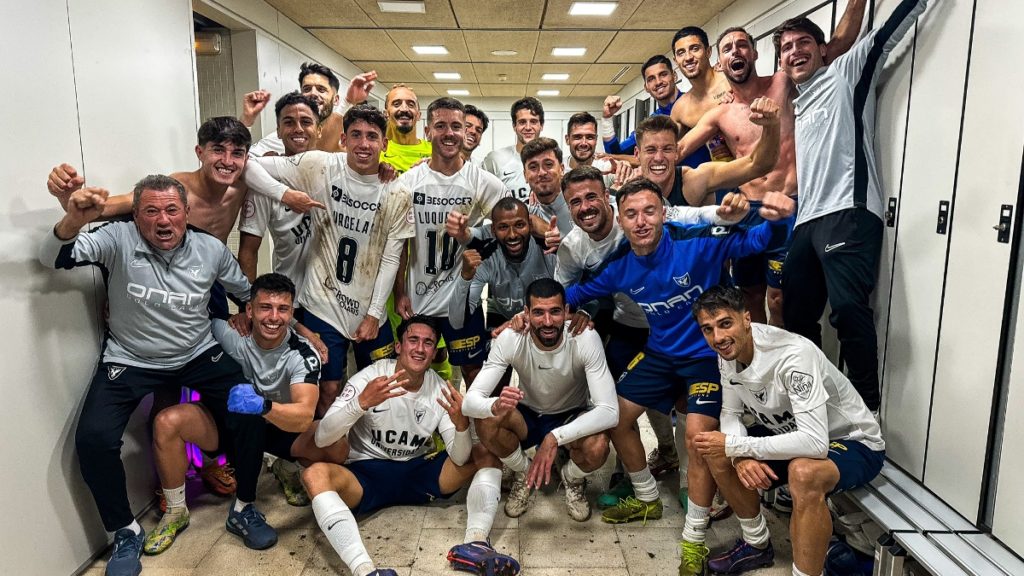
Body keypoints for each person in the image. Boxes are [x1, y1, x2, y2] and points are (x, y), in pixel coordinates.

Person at [45, 117, 322, 498]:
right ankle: (172, 480)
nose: (227, 160)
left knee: (223, 384)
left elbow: (263, 160)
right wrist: (70, 205)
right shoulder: (176, 191)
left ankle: (218, 466)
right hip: (154, 280)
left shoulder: (245, 179)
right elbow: (103, 209)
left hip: (206, 278)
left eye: (236, 153)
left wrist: (282, 321)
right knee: (167, 391)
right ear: (199, 153)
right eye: (217, 151)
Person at [39, 177, 271, 576]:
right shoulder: (117, 238)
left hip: (197, 353)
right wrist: (71, 221)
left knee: (250, 407)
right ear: (136, 215)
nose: (163, 220)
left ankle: (244, 507)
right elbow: (53, 258)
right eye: (151, 211)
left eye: (171, 211)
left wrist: (254, 318)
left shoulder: (210, 248)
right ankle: (125, 531)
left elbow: (247, 292)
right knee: (93, 440)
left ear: (186, 213)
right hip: (130, 358)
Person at [563, 174, 793, 576]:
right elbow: (571, 295)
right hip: (659, 355)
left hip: (706, 360)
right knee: (614, 416)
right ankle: (647, 496)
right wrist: (529, 316)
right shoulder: (618, 266)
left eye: (649, 211)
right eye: (631, 214)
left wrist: (774, 220)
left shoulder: (696, 241)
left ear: (663, 213)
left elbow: (757, 242)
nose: (641, 222)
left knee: (699, 440)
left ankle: (693, 539)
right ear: (620, 220)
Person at [555, 166, 748, 508]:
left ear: (607, 202)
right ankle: (632, 479)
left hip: (685, 332)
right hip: (629, 326)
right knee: (623, 407)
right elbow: (570, 291)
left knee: (687, 405)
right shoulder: (574, 246)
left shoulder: (652, 219)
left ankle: (687, 476)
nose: (585, 207)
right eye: (575, 202)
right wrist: (562, 311)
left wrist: (728, 214)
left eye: (591, 197)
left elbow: (696, 216)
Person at [779, 0, 931, 412]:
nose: (795, 51)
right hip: (806, 223)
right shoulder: (797, 104)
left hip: (848, 211)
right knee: (794, 317)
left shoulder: (845, 73)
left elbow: (890, 31)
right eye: (787, 47)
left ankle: (867, 406)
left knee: (847, 310)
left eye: (803, 42)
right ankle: (814, 403)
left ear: (824, 49)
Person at [675, 1, 867, 325]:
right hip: (747, 211)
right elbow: (675, 150)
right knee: (749, 294)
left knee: (779, 298)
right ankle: (758, 361)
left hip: (790, 205)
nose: (735, 51)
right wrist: (626, 165)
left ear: (754, 54)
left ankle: (782, 362)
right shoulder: (719, 113)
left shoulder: (783, 83)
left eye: (742, 45)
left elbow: (836, 45)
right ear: (720, 63)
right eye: (727, 49)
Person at [302, 316, 519, 576]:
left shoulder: (440, 389)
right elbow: (322, 437)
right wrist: (360, 403)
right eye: (413, 340)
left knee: (484, 452)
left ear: (435, 351)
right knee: (314, 474)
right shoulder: (370, 377)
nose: (419, 348)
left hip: (417, 471)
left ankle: (476, 543)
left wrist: (461, 426)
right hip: (366, 474)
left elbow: (459, 458)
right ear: (398, 346)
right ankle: (364, 570)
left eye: (428, 343)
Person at [691, 285, 884, 576]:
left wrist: (739, 447)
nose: (717, 337)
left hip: (852, 442)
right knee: (715, 449)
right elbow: (730, 414)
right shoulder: (728, 351)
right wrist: (740, 456)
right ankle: (756, 544)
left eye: (725, 324)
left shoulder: (793, 355)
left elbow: (815, 443)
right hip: (791, 436)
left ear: (747, 318)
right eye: (708, 329)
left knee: (803, 473)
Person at [144, 273, 335, 555]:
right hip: (227, 424)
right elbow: (181, 320)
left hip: (276, 425)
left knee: (335, 447)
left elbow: (304, 415)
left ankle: (276, 476)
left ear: (291, 313)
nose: (273, 317)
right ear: (249, 310)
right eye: (264, 308)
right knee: (166, 421)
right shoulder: (228, 333)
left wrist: (263, 406)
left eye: (282, 309)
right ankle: (175, 511)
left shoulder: (302, 353)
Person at [244, 104, 414, 416]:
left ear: (384, 144)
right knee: (328, 389)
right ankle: (319, 453)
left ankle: (363, 453)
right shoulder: (317, 165)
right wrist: (284, 194)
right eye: (356, 135)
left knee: (381, 385)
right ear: (343, 140)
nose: (364, 144)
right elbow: (248, 165)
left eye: (372, 137)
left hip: (367, 305)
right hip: (322, 300)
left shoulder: (398, 191)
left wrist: (375, 314)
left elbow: (392, 257)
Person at [463, 279, 618, 521]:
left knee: (598, 447)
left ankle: (572, 477)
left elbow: (610, 411)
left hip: (570, 413)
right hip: (529, 414)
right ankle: (524, 472)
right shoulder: (511, 337)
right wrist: (492, 405)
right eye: (538, 313)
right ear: (526, 313)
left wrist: (555, 437)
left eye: (555, 312)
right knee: (486, 421)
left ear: (566, 312)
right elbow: (469, 402)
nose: (547, 322)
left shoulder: (585, 337)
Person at [392, 97, 508, 385]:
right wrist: (399, 291)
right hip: (420, 298)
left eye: (456, 126)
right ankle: (423, 428)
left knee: (473, 372)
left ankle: (471, 430)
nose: (449, 133)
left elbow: (511, 222)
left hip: (463, 298)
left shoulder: (482, 181)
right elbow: (399, 244)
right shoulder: (408, 182)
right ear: (428, 130)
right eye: (440, 125)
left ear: (465, 131)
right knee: (413, 369)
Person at [237, 92, 320, 285]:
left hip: (329, 300)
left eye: (306, 122)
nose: (298, 129)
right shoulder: (263, 182)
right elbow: (248, 251)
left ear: (319, 129)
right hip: (289, 294)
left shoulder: (333, 171)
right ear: (279, 130)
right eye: (289, 123)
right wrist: (246, 303)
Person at [449, 197, 556, 332]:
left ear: (530, 224)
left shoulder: (549, 249)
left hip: (545, 319)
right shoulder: (485, 254)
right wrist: (465, 277)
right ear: (493, 230)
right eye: (503, 227)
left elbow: (569, 303)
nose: (512, 235)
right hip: (502, 319)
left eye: (519, 225)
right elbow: (457, 322)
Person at [242, 64, 379, 155]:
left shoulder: (348, 139)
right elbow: (242, 159)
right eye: (307, 89)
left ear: (336, 99)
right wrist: (246, 121)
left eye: (321, 89)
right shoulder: (285, 136)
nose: (313, 94)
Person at [601, 55, 711, 168]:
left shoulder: (698, 103)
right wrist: (607, 119)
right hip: (674, 183)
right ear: (646, 87)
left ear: (674, 76)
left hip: (712, 181)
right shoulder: (652, 123)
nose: (658, 82)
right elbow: (616, 155)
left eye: (663, 74)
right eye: (651, 79)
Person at [482, 97, 544, 201]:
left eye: (533, 121)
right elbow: (482, 199)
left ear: (541, 125)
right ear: (514, 126)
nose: (528, 127)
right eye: (522, 122)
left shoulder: (551, 161)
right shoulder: (495, 159)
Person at [520, 137, 574, 237]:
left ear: (561, 169)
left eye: (548, 164)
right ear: (525, 175)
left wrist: (560, 240)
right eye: (533, 167)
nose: (541, 173)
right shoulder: (523, 215)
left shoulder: (581, 204)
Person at [381, 83, 432, 174]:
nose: (404, 109)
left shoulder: (435, 152)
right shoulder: (378, 150)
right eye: (396, 104)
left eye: (411, 105)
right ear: (386, 114)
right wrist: (349, 100)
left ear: (419, 115)